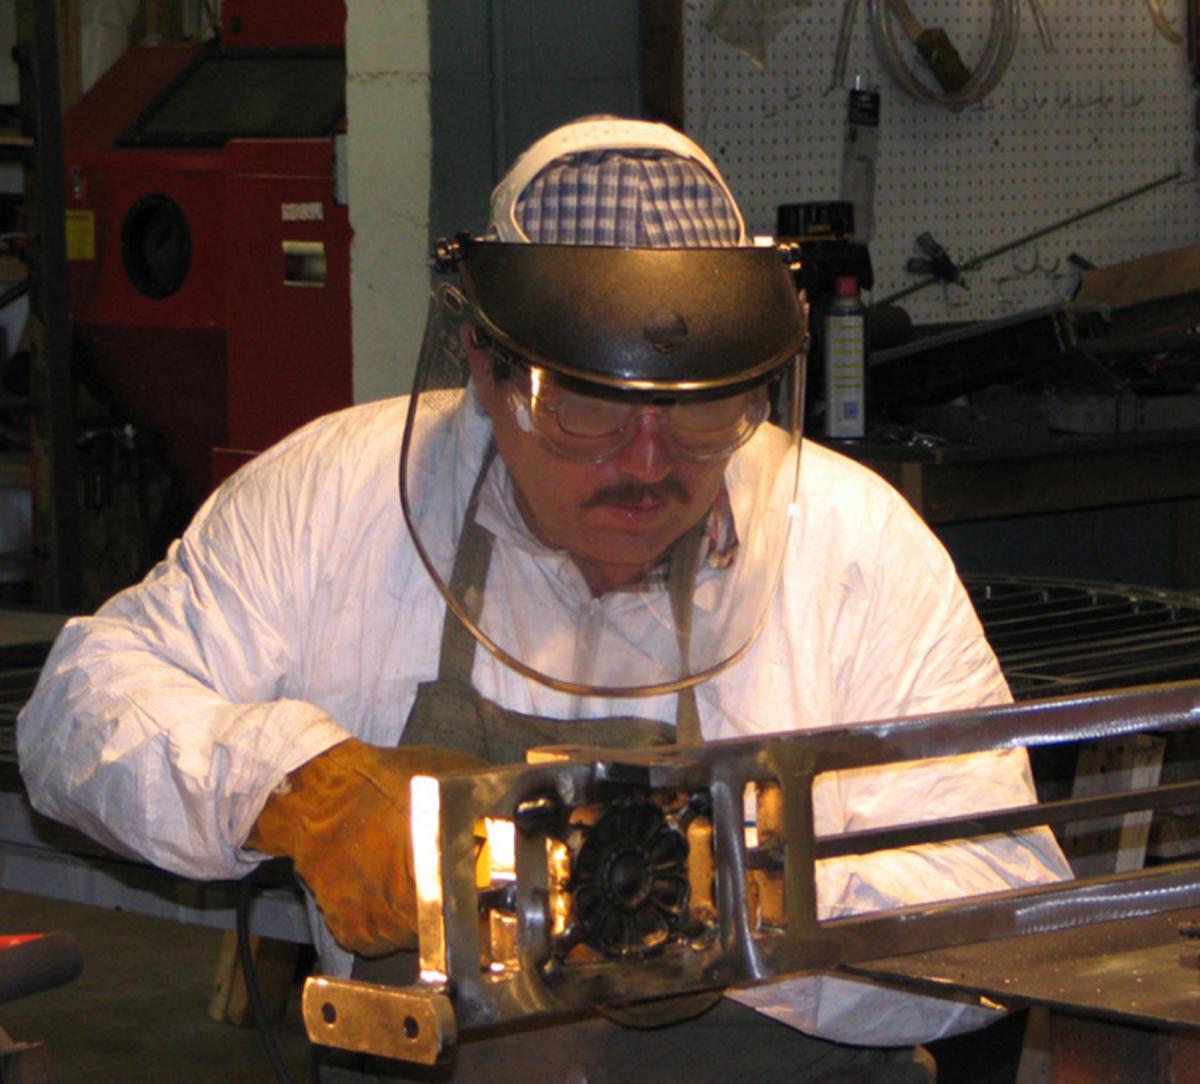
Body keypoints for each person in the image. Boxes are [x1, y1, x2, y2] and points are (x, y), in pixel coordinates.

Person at [17, 116, 1070, 1082]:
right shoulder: (335, 498)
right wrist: (290, 785)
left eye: (702, 412)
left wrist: (742, 911)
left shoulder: (856, 546)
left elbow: (1002, 907)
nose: (647, 464)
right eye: (588, 412)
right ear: (483, 367)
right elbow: (77, 709)